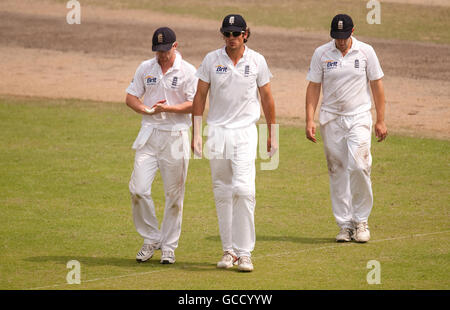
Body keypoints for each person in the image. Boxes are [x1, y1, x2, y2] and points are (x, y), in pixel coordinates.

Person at [192, 14, 276, 272]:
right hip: (217, 132)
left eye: (236, 34)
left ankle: (245, 252)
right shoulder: (211, 60)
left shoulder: (257, 60)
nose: (231, 39)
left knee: (244, 190)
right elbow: (200, 96)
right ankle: (229, 251)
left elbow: (267, 98)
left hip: (245, 132)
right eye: (227, 34)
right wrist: (196, 133)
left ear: (245, 34)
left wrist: (273, 133)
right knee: (222, 191)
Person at [305, 14, 387, 243]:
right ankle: (345, 225)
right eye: (336, 37)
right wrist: (309, 119)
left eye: (344, 37)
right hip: (331, 118)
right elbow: (313, 87)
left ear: (352, 31)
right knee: (337, 170)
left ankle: (361, 221)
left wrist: (381, 119)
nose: (340, 42)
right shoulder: (321, 53)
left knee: (360, 165)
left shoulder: (366, 52)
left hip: (359, 116)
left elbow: (377, 85)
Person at [125, 27, 197, 264]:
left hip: (175, 136)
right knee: (138, 189)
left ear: (175, 46)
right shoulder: (146, 67)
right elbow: (131, 97)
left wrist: (168, 109)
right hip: (149, 135)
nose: (162, 55)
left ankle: (169, 246)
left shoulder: (188, 71)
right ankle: (152, 238)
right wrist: (145, 109)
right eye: (158, 51)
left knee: (174, 195)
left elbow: (195, 104)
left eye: (166, 50)